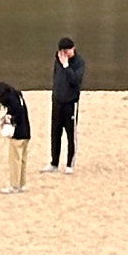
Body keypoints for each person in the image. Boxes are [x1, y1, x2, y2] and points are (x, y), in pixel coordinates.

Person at [49, 37, 84, 171]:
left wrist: (66, 66)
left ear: (73, 48)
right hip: (57, 101)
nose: (65, 54)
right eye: (63, 51)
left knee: (70, 134)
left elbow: (75, 80)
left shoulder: (79, 63)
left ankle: (69, 164)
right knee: (55, 133)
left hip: (70, 103)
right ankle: (54, 163)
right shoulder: (57, 60)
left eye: (67, 51)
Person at [0, 80, 31, 192]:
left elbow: (16, 116)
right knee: (22, 160)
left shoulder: (12, 101)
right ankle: (22, 184)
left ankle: (14, 185)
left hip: (18, 134)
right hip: (26, 132)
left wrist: (10, 120)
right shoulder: (18, 97)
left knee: (15, 160)